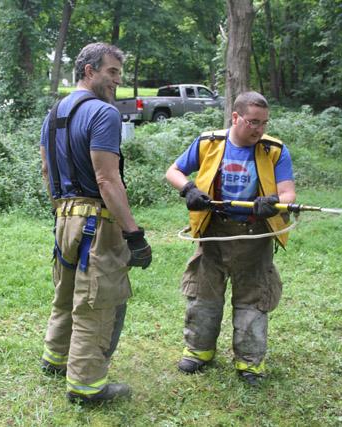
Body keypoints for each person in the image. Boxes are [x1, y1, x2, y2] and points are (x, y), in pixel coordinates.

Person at [39, 43, 152, 404]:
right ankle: (87, 386)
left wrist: (62, 210)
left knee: (67, 293)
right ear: (89, 70)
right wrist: (133, 233)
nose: (117, 81)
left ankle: (55, 358)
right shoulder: (103, 114)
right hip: (96, 222)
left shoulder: (54, 113)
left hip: (64, 217)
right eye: (112, 72)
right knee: (97, 303)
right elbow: (108, 180)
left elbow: (46, 169)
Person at [165, 91, 296, 386]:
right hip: (213, 233)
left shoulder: (274, 150)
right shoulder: (209, 143)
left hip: (255, 234)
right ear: (235, 117)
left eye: (263, 123)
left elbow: (289, 193)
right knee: (203, 295)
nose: (259, 129)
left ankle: (249, 363)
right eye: (252, 122)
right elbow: (173, 171)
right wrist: (188, 189)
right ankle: (199, 351)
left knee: (253, 298)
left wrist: (273, 201)